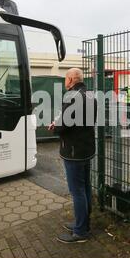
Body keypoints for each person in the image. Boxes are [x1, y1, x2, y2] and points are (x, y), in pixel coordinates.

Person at [48, 68, 97, 244]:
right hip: (86, 149)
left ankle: (80, 232)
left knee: (77, 191)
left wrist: (55, 126)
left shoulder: (71, 96)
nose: (64, 82)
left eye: (65, 79)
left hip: (74, 151)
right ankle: (83, 223)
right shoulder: (91, 95)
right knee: (85, 187)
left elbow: (64, 124)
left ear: (70, 79)